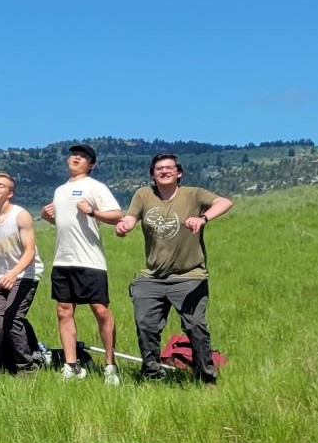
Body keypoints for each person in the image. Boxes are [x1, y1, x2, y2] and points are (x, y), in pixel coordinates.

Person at [115, 154, 233, 384]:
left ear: (179, 173)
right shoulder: (144, 194)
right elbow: (131, 217)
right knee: (145, 325)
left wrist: (203, 219)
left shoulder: (193, 194)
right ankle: (151, 375)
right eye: (159, 168)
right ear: (153, 174)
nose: (164, 171)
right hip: (152, 277)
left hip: (189, 275)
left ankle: (206, 378)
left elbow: (225, 202)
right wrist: (124, 226)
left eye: (170, 168)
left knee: (195, 326)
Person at [40, 144, 125, 384]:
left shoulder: (95, 187)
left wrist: (92, 212)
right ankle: (71, 366)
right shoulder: (60, 190)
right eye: (73, 155)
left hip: (90, 261)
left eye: (82, 156)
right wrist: (49, 218)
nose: (76, 158)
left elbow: (116, 214)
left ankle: (110, 366)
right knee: (63, 311)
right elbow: (65, 223)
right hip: (62, 259)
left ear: (91, 165)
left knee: (100, 310)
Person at [0, 172, 44, 374]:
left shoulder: (21, 216)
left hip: (25, 274)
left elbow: (30, 251)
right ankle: (2, 361)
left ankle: (25, 368)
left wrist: (14, 273)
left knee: (12, 319)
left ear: (10, 193)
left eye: (1, 186)